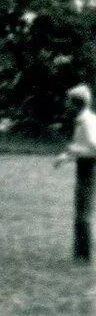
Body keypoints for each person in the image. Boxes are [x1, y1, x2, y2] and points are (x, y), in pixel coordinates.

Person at [54, 84, 96, 262]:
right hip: (85, 165)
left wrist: (73, 152)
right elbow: (82, 145)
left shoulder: (86, 122)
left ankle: (83, 255)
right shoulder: (86, 119)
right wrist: (66, 156)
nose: (66, 104)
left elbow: (93, 147)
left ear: (76, 103)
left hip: (88, 166)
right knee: (81, 209)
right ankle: (80, 253)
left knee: (82, 211)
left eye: (69, 101)